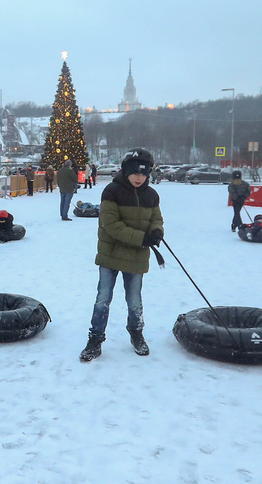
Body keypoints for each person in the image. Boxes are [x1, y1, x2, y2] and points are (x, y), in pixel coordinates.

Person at [79, 148, 164, 363]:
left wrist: (156, 232)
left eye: (144, 173)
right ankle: (95, 338)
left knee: (134, 299)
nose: (139, 177)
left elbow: (157, 219)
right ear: (126, 171)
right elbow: (111, 225)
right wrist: (141, 238)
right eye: (135, 172)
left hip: (136, 257)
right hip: (111, 254)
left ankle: (136, 333)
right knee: (103, 299)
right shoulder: (112, 191)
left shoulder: (152, 195)